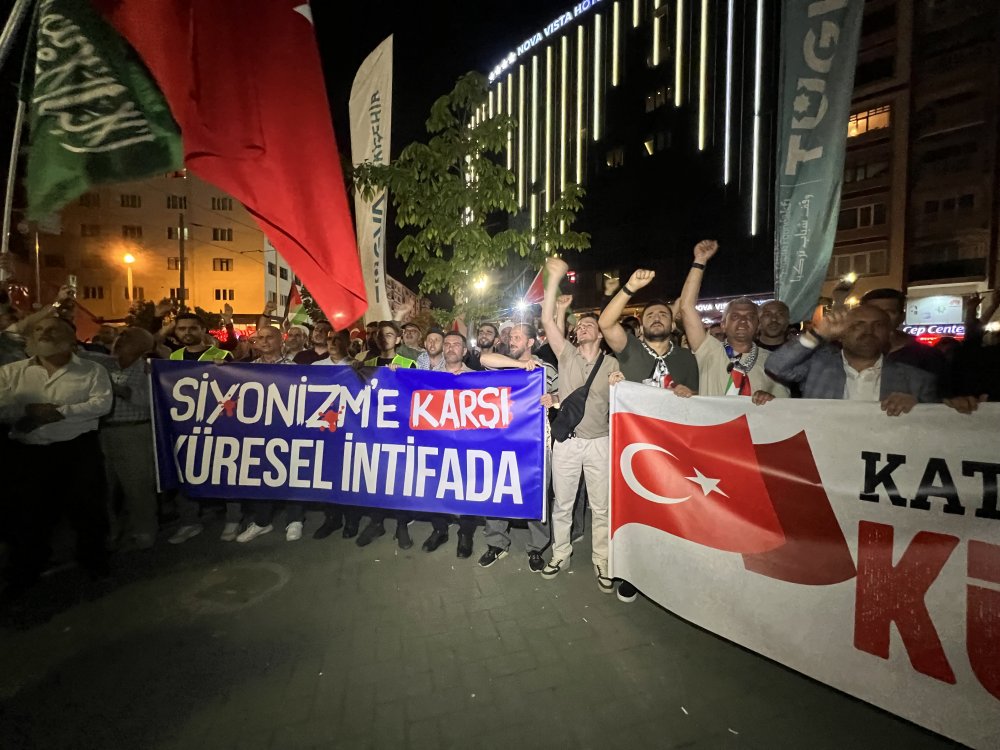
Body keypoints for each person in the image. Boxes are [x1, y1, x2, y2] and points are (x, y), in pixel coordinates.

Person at [599, 266, 700, 603]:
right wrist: (629, 288)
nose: (657, 318)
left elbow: (699, 406)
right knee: (632, 515)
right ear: (641, 327)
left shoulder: (687, 359)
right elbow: (606, 323)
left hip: (673, 451)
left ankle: (665, 571)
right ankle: (631, 572)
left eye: (663, 314)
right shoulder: (630, 350)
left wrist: (690, 395)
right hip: (632, 449)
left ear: (673, 325)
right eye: (650, 315)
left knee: (669, 514)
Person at [0, 315, 113, 591]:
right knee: (28, 514)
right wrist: (27, 411)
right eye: (39, 329)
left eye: (53, 329)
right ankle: (26, 570)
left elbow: (101, 404)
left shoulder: (92, 371)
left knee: (88, 511)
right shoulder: (11, 372)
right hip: (29, 455)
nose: (44, 334)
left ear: (70, 338)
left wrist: (59, 413)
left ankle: (94, 562)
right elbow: (3, 406)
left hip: (77, 452)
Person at [539, 258, 620, 593]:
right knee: (563, 504)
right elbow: (547, 319)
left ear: (601, 334)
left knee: (601, 507)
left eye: (590, 325)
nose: (584, 327)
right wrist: (553, 280)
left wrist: (620, 384)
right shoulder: (566, 355)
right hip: (568, 443)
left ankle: (603, 560)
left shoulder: (613, 364)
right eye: (581, 324)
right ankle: (561, 554)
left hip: (600, 442)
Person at [478, 323, 556, 573]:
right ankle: (496, 543)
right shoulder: (503, 363)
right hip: (501, 441)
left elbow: (561, 393)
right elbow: (484, 358)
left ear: (531, 342)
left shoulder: (546, 368)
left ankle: (537, 547)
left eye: (517, 337)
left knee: (535, 494)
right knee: (496, 491)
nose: (511, 341)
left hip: (534, 443)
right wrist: (521, 365)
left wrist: (553, 399)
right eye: (510, 337)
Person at [765, 306, 937, 413]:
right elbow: (775, 365)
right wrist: (818, 334)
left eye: (878, 325)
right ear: (841, 334)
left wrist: (918, 408)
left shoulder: (917, 381)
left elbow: (938, 429)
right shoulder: (817, 367)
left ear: (889, 334)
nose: (868, 331)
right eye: (858, 325)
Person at [678, 241, 789, 403]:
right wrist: (700, 261)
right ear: (723, 325)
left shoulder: (772, 362)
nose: (743, 321)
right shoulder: (709, 351)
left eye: (750, 317)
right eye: (735, 316)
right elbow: (686, 307)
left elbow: (786, 407)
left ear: (758, 325)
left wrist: (771, 400)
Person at [83, 327, 159, 549]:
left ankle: (144, 530)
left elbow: (148, 401)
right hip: (102, 431)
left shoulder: (148, 370)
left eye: (127, 337)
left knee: (138, 487)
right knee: (102, 487)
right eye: (120, 335)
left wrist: (117, 389)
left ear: (143, 346)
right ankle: (110, 530)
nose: (120, 339)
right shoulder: (102, 364)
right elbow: (74, 353)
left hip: (133, 432)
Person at [236, 326, 304, 542]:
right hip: (258, 430)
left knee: (291, 472)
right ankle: (262, 521)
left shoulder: (295, 369)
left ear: (281, 340)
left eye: (269, 337)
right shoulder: (247, 370)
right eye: (260, 338)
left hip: (287, 429)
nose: (264, 342)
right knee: (260, 473)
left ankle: (295, 520)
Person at [417, 331, 481, 558]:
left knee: (467, 489)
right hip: (436, 444)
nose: (451, 347)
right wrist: (394, 374)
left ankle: (466, 533)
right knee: (435, 487)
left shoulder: (477, 378)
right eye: (447, 344)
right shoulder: (428, 377)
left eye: (456, 344)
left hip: (466, 446)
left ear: (464, 351)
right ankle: (439, 529)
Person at [357, 321, 418, 548]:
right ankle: (377, 522)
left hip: (399, 432)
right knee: (375, 478)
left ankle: (402, 525)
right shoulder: (367, 365)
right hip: (373, 431)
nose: (385, 339)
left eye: (390, 335)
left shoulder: (407, 364)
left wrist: (400, 377)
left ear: (398, 339)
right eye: (381, 335)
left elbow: (415, 395)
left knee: (399, 478)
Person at [313, 329, 366, 540]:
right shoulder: (316, 367)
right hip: (324, 431)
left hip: (350, 431)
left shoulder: (359, 367)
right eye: (329, 339)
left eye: (338, 339)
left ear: (347, 342)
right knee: (328, 475)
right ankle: (332, 518)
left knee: (350, 476)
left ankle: (352, 519)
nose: (332, 342)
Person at [859, 288, 946, 391]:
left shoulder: (928, 356)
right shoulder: (849, 351)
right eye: (874, 312)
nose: (881, 317)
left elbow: (938, 394)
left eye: (889, 312)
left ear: (902, 317)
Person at [166, 313, 232, 362]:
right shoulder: (174, 356)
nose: (187, 332)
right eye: (182, 329)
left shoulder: (223, 355)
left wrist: (227, 368)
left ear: (203, 330)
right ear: (176, 331)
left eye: (193, 328)